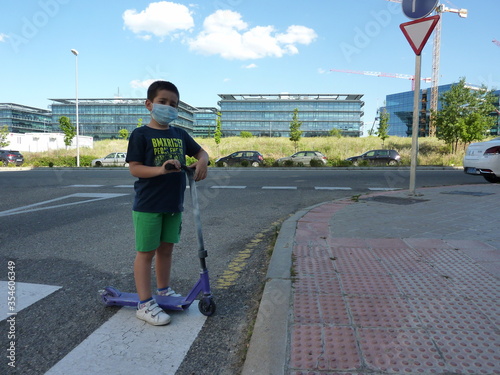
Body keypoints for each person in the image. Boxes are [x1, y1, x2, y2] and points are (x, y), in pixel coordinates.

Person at [125, 80, 209, 325]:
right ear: (149, 104)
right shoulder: (141, 134)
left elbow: (200, 152)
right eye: (163, 102)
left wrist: (202, 161)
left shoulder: (180, 134)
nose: (168, 107)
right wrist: (161, 170)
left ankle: (163, 290)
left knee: (166, 250)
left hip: (173, 204)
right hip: (148, 205)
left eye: (173, 104)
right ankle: (144, 303)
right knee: (146, 253)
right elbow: (135, 169)